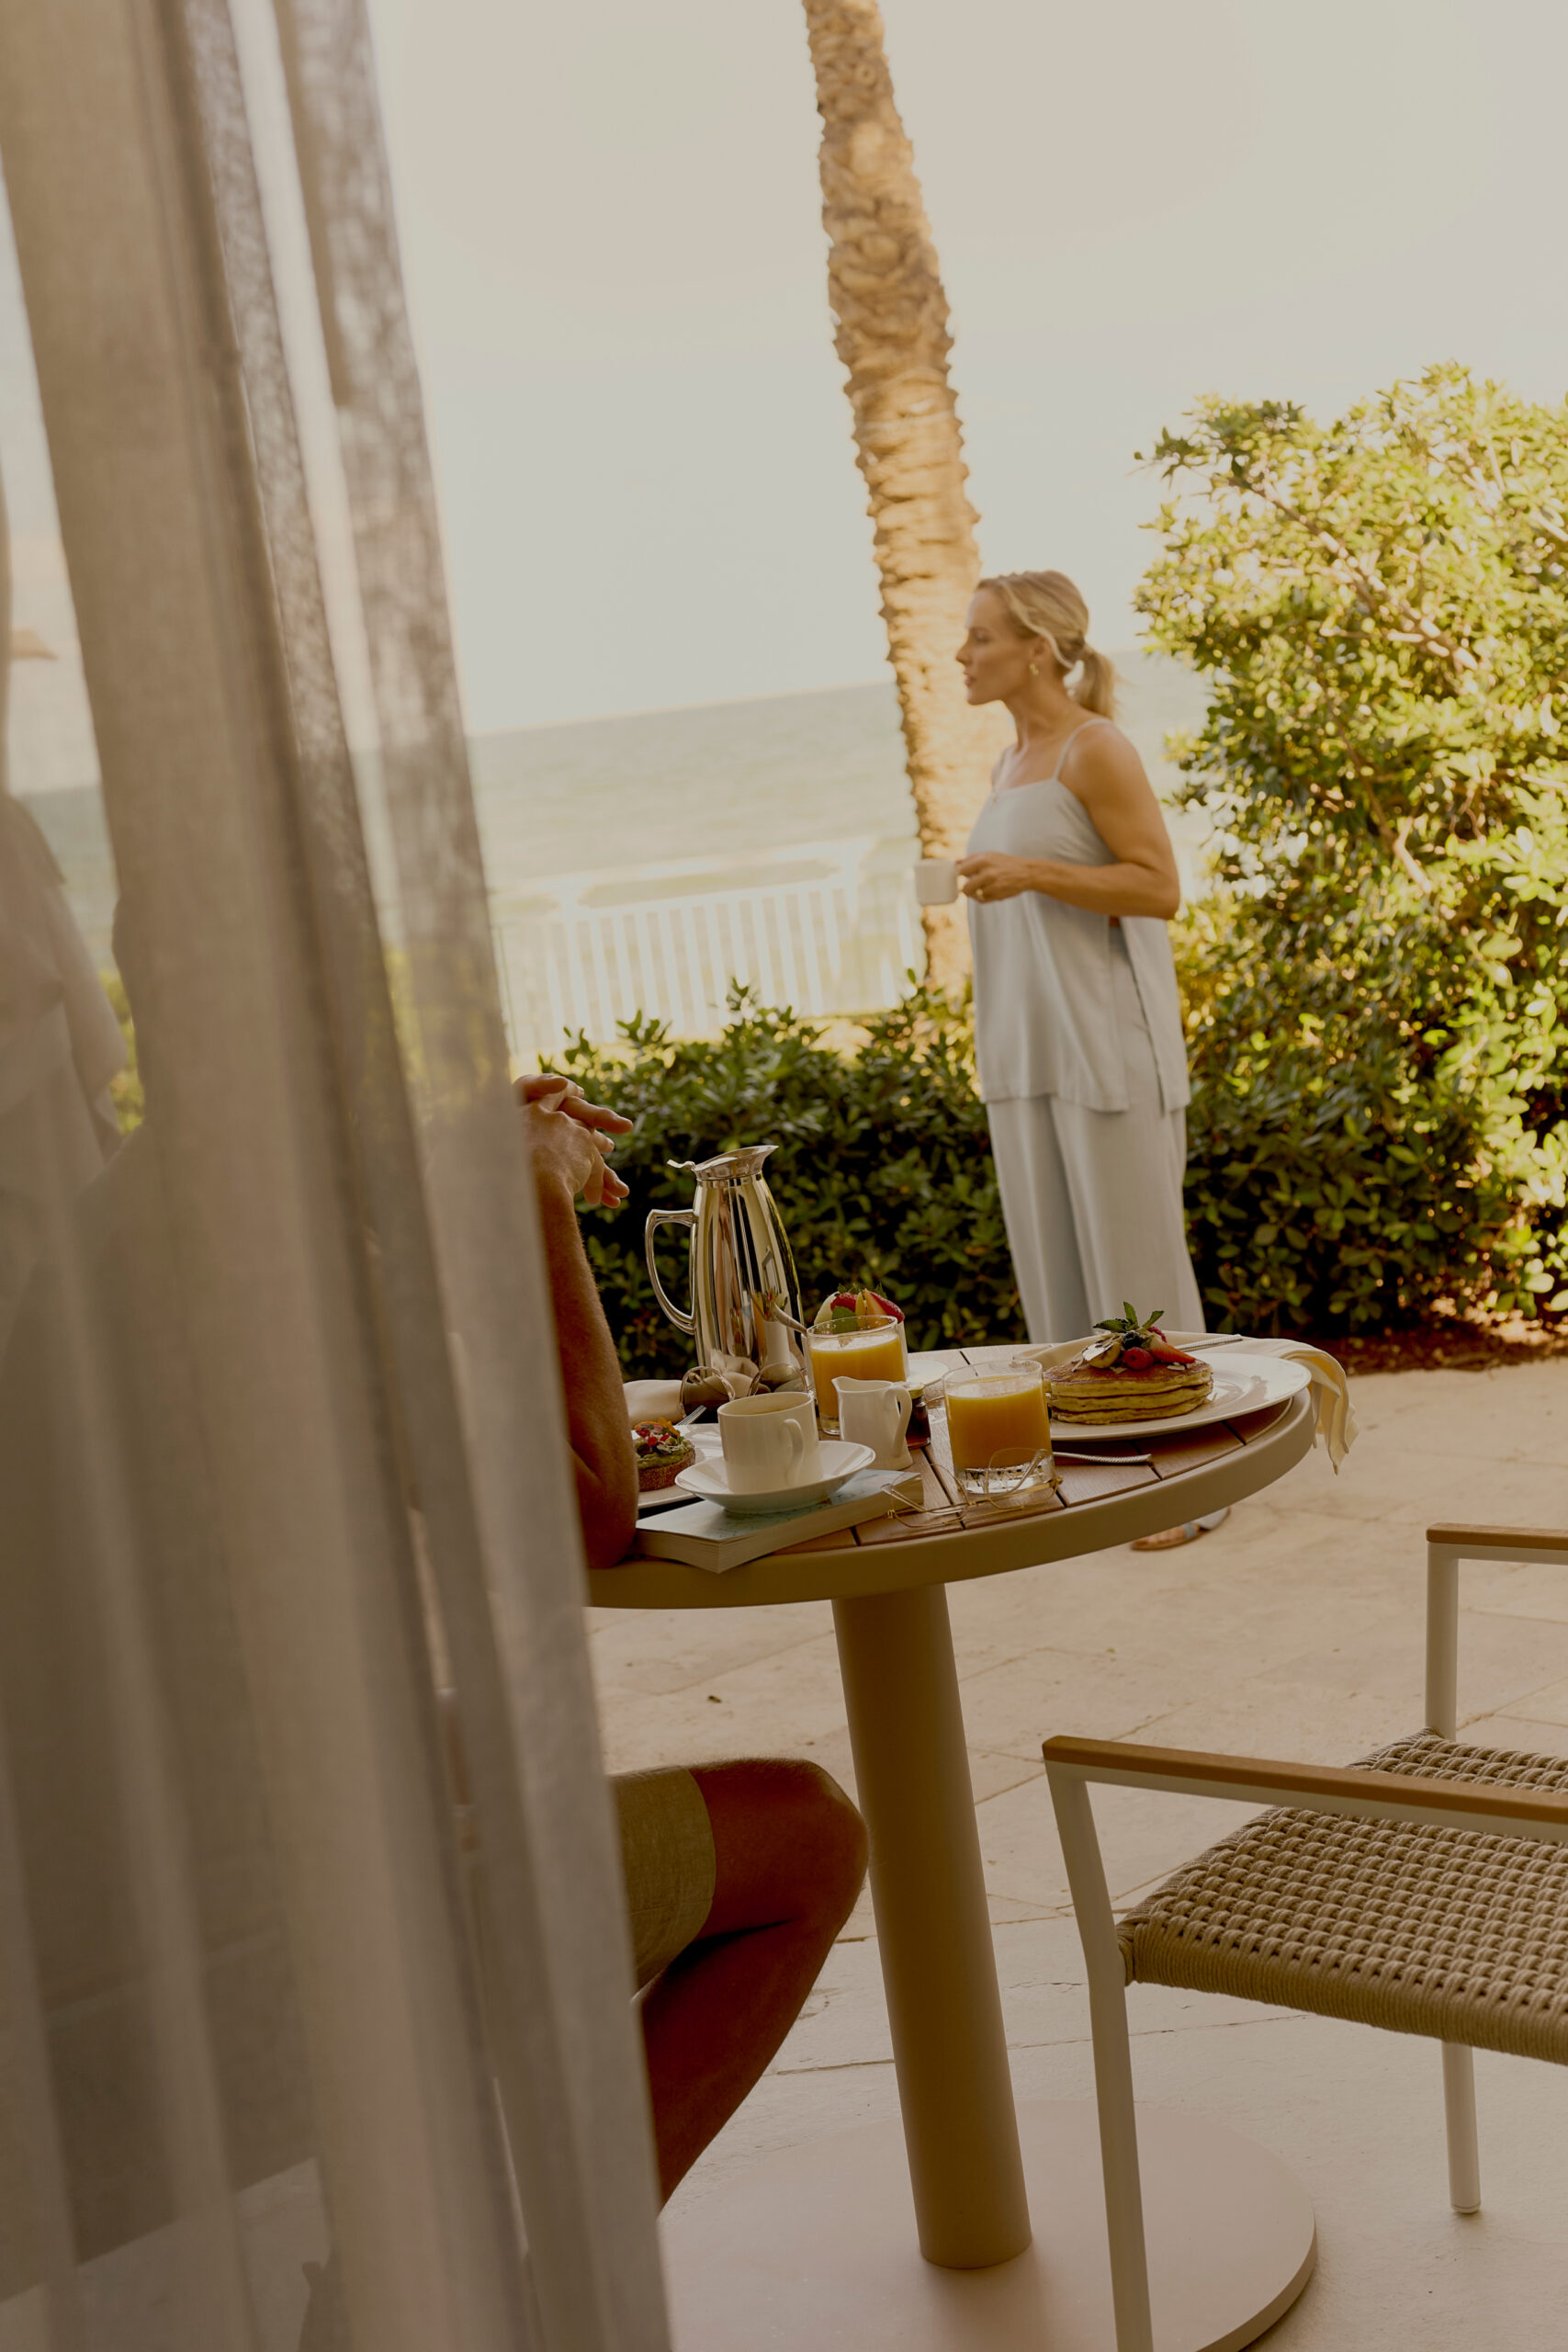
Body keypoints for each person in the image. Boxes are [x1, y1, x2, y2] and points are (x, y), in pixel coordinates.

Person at [513, 1072, 868, 2197]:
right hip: (284, 1910)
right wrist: (535, 1199)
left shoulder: (131, 1223)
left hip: (148, 1848)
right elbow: (592, 1518)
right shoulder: (277, 1265)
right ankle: (564, 2298)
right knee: (807, 1833)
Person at [953, 570, 1220, 1550]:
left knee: (1135, 1270)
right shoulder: (1007, 762)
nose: (962, 656)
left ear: (1035, 647)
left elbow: (1157, 887)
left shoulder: (1093, 747)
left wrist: (1029, 872)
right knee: (1059, 1283)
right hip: (1027, 1054)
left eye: (978, 638)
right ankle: (1107, 1472)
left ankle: (1190, 1485)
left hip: (1108, 1047)